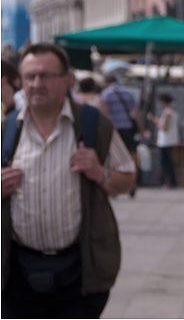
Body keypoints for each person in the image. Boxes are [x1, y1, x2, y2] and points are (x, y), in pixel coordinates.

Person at [1, 42, 137, 317]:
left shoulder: (93, 124)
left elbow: (128, 177)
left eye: (46, 76)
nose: (37, 83)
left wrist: (100, 173)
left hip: (79, 270)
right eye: (30, 76)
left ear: (67, 79)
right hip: (17, 271)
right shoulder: (6, 129)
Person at [100, 67, 140, 196]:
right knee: (132, 154)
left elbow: (104, 114)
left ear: (107, 82)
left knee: (113, 157)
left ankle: (114, 184)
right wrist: (142, 129)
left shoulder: (106, 94)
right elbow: (136, 112)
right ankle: (133, 181)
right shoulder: (129, 92)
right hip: (128, 128)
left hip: (114, 129)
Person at [153, 94, 180, 189]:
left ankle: (170, 182)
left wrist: (156, 121)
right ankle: (171, 182)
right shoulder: (173, 112)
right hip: (171, 140)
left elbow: (164, 127)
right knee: (168, 161)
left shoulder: (167, 112)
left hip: (166, 141)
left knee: (166, 162)